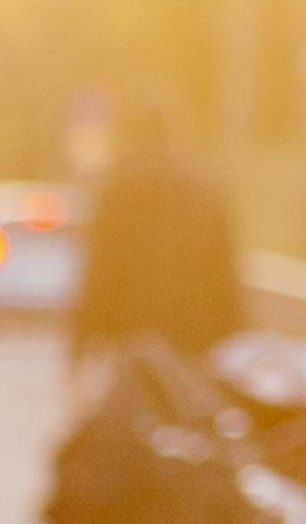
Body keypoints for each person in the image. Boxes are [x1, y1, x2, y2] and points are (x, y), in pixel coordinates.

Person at [65, 95, 245, 367]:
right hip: (194, 348)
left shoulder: (115, 191)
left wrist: (79, 348)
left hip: (129, 349)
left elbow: (97, 276)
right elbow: (225, 279)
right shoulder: (204, 192)